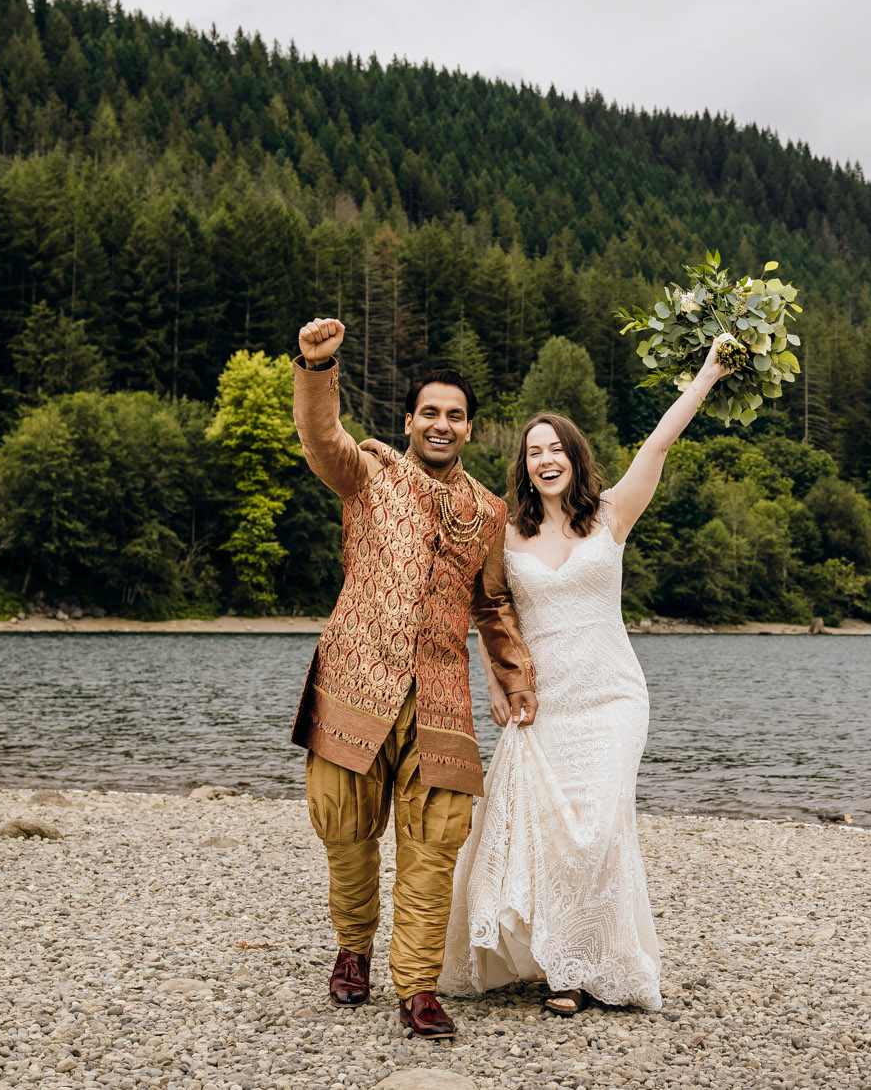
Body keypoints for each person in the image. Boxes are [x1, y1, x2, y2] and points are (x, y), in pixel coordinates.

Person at [442, 333, 739, 1014]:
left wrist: (708, 373)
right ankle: (563, 971)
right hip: (542, 705)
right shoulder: (506, 534)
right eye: (533, 452)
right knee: (548, 834)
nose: (545, 460)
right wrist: (493, 680)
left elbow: (658, 444)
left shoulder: (612, 515)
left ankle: (598, 957)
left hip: (610, 697)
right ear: (524, 466)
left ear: (575, 458)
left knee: (598, 830)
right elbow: (486, 610)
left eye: (556, 449)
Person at [290, 317, 539, 1040]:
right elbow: (319, 435)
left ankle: (419, 987)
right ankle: (352, 948)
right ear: (408, 420)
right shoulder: (366, 471)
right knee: (346, 828)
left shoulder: (489, 510)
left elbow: (491, 602)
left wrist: (516, 672)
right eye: (429, 411)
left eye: (455, 414)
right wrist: (318, 365)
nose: (442, 423)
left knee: (435, 841)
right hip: (354, 679)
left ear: (469, 428)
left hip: (439, 695)